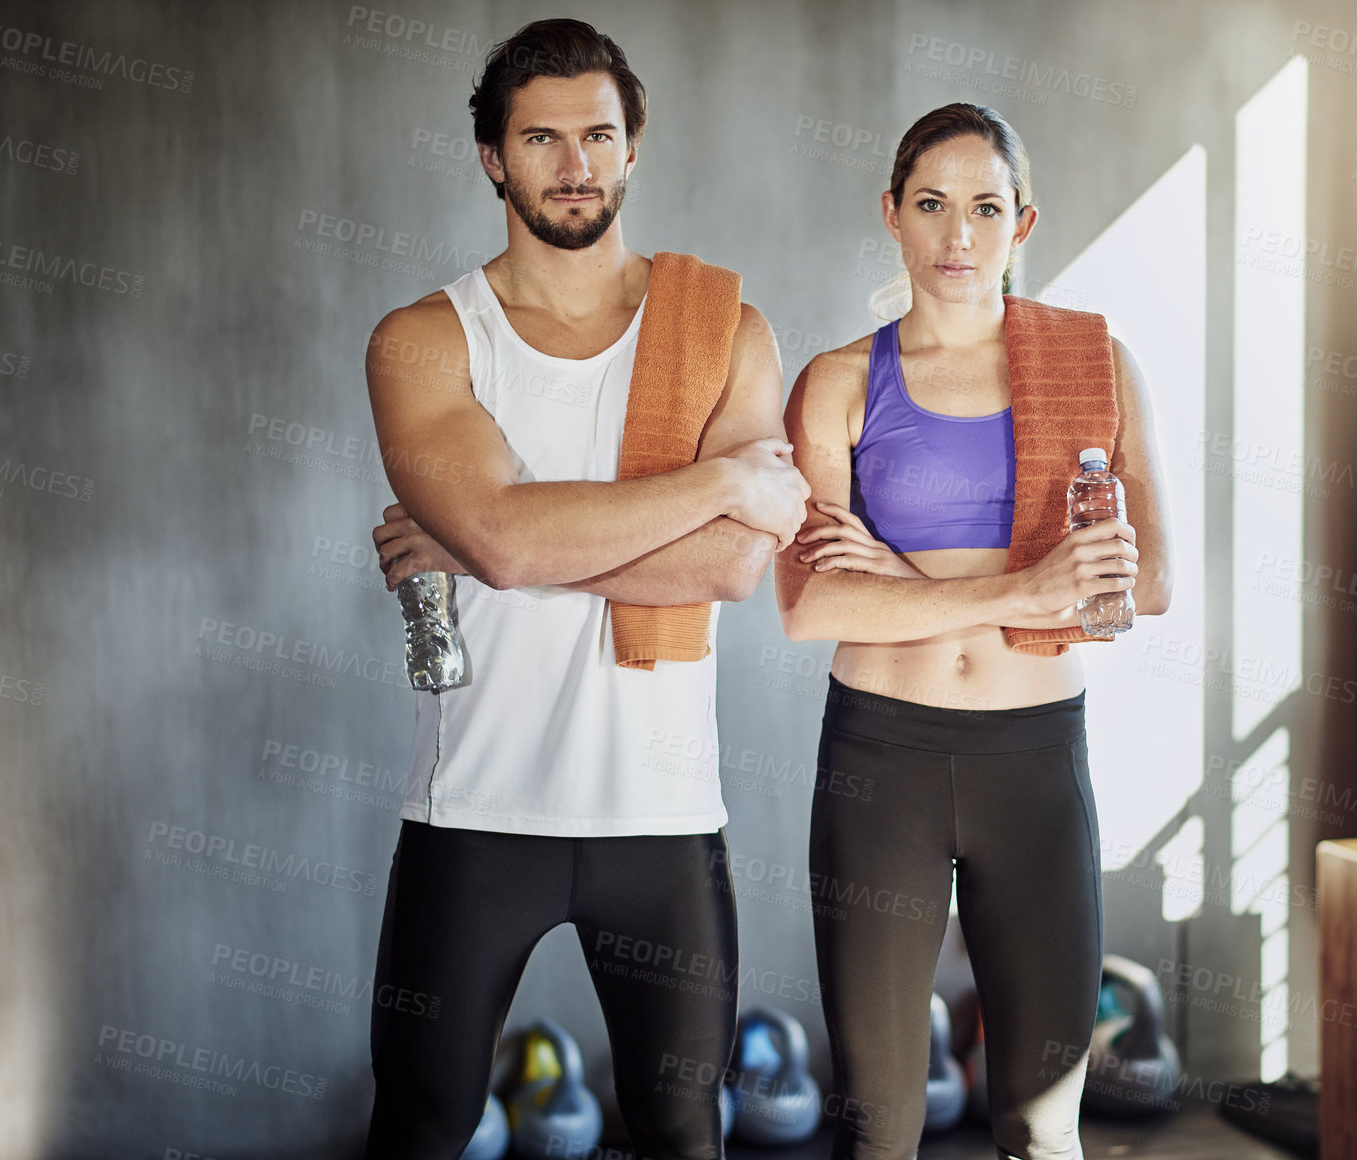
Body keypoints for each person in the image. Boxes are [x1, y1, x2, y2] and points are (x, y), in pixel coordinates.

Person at [360, 19, 809, 1159]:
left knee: (680, 1132)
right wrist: (713, 482)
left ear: (632, 146)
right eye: (542, 138)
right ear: (491, 158)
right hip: (475, 813)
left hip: (661, 817)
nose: (575, 164)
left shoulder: (727, 331)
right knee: (420, 1127)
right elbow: (512, 543)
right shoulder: (422, 341)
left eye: (598, 135)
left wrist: (490, 544)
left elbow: (733, 564)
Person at [775, 103, 1174, 1160]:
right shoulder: (837, 384)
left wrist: (903, 580)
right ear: (892, 218)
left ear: (1022, 222)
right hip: (880, 763)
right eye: (932, 205)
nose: (958, 236)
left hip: (1035, 766)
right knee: (878, 1125)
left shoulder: (1098, 368)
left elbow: (1155, 581)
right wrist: (1022, 588)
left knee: (1042, 1129)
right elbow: (811, 602)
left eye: (984, 207)